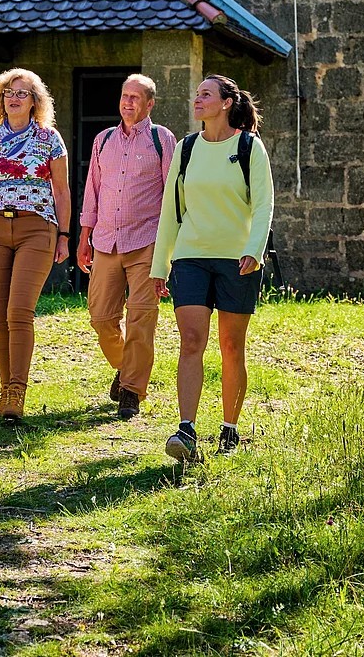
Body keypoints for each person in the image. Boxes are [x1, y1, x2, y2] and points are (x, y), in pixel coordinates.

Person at [150, 73, 274, 464]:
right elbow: (171, 210)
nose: (197, 100)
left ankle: (230, 429)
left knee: (231, 346)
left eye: (206, 94)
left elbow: (264, 205)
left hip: (238, 260)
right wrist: (160, 265)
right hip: (190, 256)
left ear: (225, 103)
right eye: (197, 94)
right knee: (190, 341)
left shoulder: (249, 146)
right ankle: (186, 430)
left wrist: (255, 250)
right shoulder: (186, 149)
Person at [0, 67, 71, 423]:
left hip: (37, 229)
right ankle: (5, 387)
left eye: (22, 93)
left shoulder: (50, 139)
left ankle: (18, 391)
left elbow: (62, 190)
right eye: (9, 92)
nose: (14, 98)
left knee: (19, 312)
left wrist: (65, 235)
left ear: (35, 101)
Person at [78, 72, 177, 420]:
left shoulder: (161, 139)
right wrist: (84, 236)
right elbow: (93, 190)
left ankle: (132, 390)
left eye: (136, 97)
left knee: (141, 319)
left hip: (147, 242)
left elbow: (173, 197)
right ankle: (127, 367)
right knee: (101, 317)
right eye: (125, 96)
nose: (128, 102)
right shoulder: (103, 140)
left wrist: (169, 250)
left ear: (149, 104)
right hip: (106, 240)